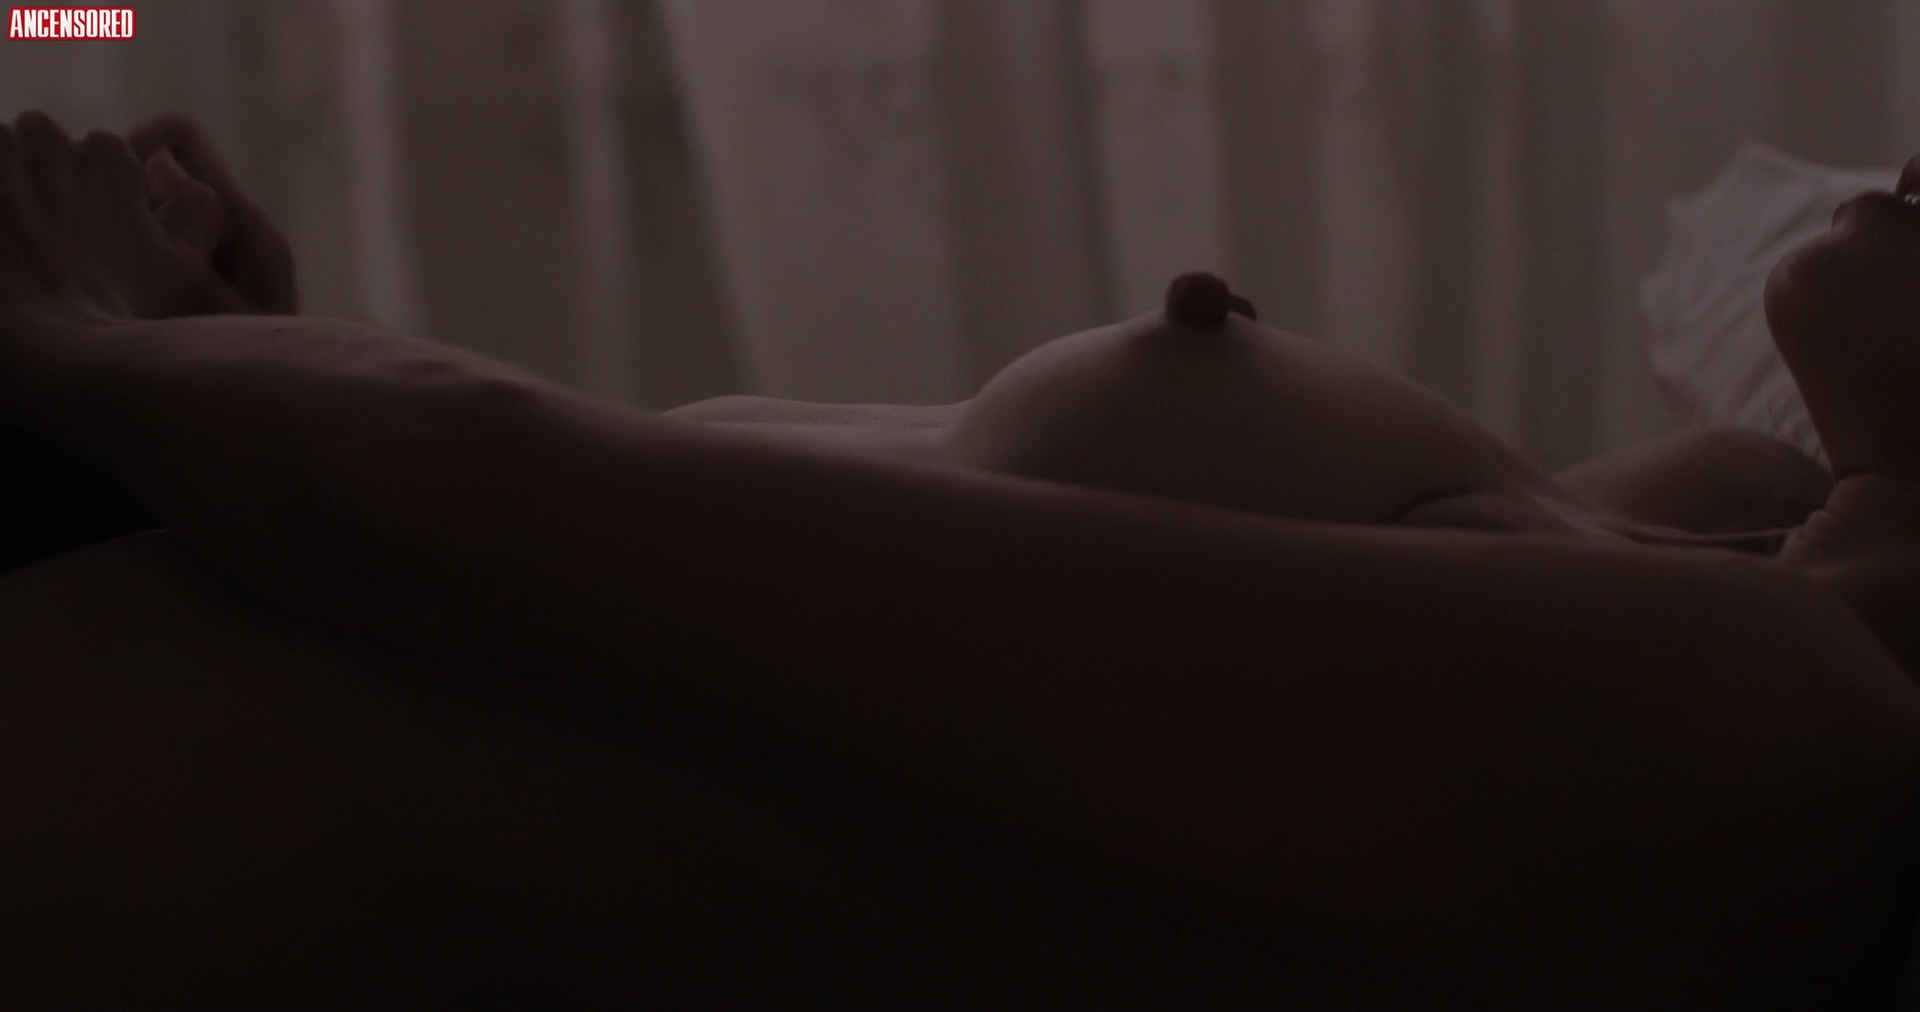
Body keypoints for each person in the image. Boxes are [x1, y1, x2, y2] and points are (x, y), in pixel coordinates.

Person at [3, 110, 1919, 1010]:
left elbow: (454, 505)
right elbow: (629, 674)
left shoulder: (1777, 733)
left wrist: (81, 334)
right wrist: (214, 375)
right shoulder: (1711, 511)